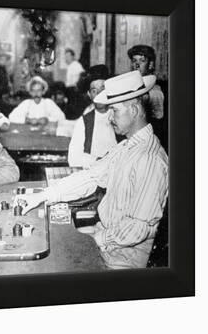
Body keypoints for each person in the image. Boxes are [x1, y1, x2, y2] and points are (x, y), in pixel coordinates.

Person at [19, 71, 168, 269]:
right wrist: (44, 195)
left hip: (121, 258)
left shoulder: (149, 159)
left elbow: (137, 228)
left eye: (114, 110)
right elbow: (91, 177)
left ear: (133, 110)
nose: (109, 117)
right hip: (107, 240)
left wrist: (96, 238)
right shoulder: (126, 147)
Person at [68, 67, 122, 168]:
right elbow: (73, 157)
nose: (99, 94)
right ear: (89, 95)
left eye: (102, 89)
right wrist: (98, 160)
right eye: (94, 91)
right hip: (93, 172)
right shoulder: (85, 121)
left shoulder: (118, 115)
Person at [127, 45, 166, 149]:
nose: (137, 64)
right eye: (134, 60)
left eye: (142, 61)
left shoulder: (154, 89)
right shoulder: (130, 84)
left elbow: (158, 118)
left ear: (150, 64)